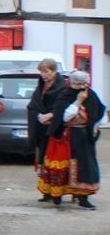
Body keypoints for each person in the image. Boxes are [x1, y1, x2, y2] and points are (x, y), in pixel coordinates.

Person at [41, 70, 104, 209]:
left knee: (86, 167)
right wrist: (78, 101)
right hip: (66, 137)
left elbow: (99, 110)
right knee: (63, 166)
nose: (82, 86)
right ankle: (57, 195)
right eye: (78, 84)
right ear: (72, 83)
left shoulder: (91, 94)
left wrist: (95, 125)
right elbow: (64, 117)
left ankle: (83, 197)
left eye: (84, 83)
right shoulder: (65, 95)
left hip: (84, 137)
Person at [28, 58, 66, 202]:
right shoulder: (41, 85)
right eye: (42, 72)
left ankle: (58, 193)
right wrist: (37, 114)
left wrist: (51, 115)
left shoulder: (62, 86)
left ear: (54, 71)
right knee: (43, 159)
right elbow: (34, 103)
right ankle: (46, 191)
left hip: (56, 130)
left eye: (46, 72)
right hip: (41, 129)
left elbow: (64, 106)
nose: (44, 75)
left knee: (55, 162)